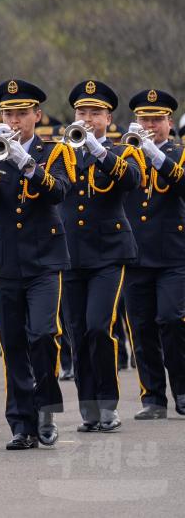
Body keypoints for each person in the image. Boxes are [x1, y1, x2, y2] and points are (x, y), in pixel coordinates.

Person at [0, 79, 71, 450]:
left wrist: (27, 163)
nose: (14, 120)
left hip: (43, 260)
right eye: (8, 113)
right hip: (3, 261)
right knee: (12, 344)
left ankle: (46, 409)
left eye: (21, 113)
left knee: (42, 336)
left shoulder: (54, 152)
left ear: (36, 115)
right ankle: (20, 423)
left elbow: (60, 190)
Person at [58, 81, 140, 433]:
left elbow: (131, 180)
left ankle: (108, 404)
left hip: (108, 253)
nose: (87, 119)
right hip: (69, 253)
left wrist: (98, 150)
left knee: (97, 327)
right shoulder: (61, 151)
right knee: (76, 332)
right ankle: (88, 407)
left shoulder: (122, 151)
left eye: (94, 113)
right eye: (81, 112)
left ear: (109, 117)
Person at [122, 89, 185, 420]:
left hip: (174, 255)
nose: (150, 125)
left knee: (172, 320)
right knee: (142, 326)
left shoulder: (180, 153)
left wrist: (155, 155)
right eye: (144, 119)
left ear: (169, 123)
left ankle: (183, 388)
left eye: (156, 119)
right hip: (136, 255)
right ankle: (153, 397)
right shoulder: (127, 154)